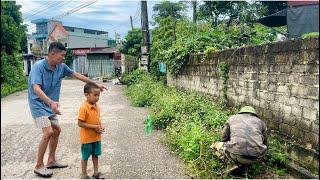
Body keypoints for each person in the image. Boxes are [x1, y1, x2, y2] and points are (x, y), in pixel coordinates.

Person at [28, 42, 107, 178]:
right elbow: (36, 88)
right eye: (62, 55)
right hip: (38, 105)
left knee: (57, 130)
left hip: (51, 105)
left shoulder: (61, 67)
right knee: (48, 132)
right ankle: (39, 166)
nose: (63, 58)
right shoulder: (38, 67)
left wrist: (95, 84)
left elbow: (76, 75)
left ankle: (51, 161)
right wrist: (50, 102)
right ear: (52, 53)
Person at [210, 106, 268, 172]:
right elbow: (265, 142)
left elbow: (224, 137)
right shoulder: (261, 122)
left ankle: (232, 163)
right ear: (254, 114)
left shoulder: (232, 118)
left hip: (235, 155)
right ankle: (248, 165)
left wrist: (228, 143)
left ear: (240, 112)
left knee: (213, 146)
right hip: (257, 158)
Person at [77, 82, 105, 179]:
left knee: (95, 155)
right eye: (95, 95)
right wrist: (95, 127)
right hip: (87, 139)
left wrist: (101, 125)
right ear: (86, 95)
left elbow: (98, 119)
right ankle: (84, 174)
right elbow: (80, 123)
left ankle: (96, 172)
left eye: (98, 95)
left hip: (96, 137)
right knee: (85, 157)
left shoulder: (97, 107)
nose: (97, 98)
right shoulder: (84, 108)